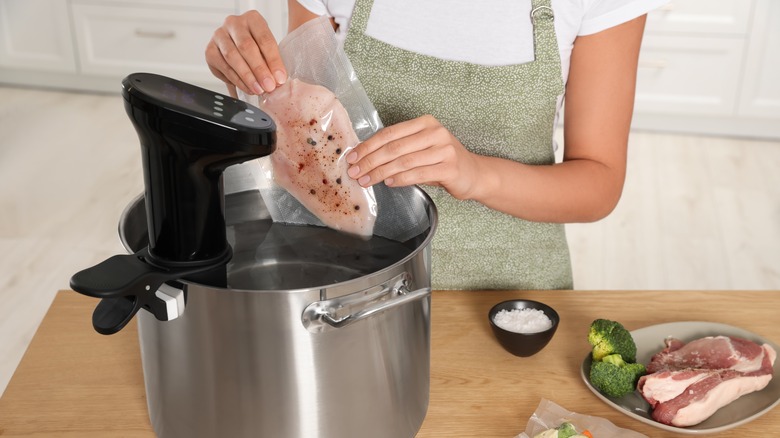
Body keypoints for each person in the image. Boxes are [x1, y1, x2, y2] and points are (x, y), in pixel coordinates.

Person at [205, 0, 667, 290]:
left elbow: (599, 182)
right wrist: (247, 73)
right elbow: (297, 142)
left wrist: (475, 174)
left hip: (508, 297)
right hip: (348, 288)